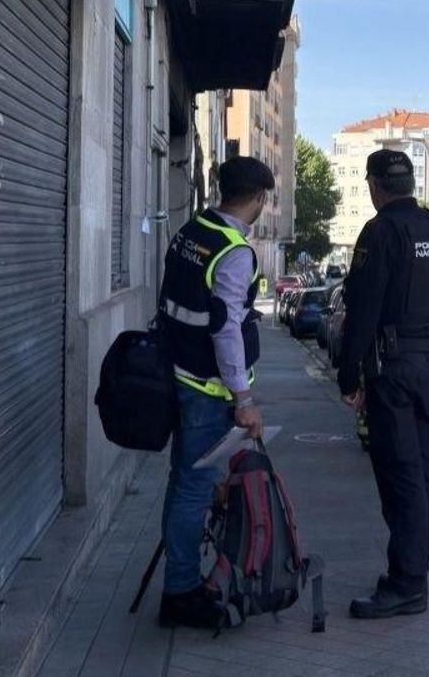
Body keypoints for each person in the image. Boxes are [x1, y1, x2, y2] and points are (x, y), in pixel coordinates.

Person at [337, 149, 429, 619]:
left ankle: (407, 584)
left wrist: (348, 373)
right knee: (421, 473)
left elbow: (363, 307)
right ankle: (414, 573)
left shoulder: (380, 232)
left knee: (401, 477)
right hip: (427, 366)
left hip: (391, 371)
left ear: (375, 186)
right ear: (410, 183)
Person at [155, 156, 274, 629]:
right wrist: (243, 401)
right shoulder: (234, 251)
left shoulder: (191, 231)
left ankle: (178, 581)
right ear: (260, 199)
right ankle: (180, 592)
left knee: (182, 483)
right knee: (194, 487)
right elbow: (225, 332)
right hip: (207, 390)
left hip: (180, 374)